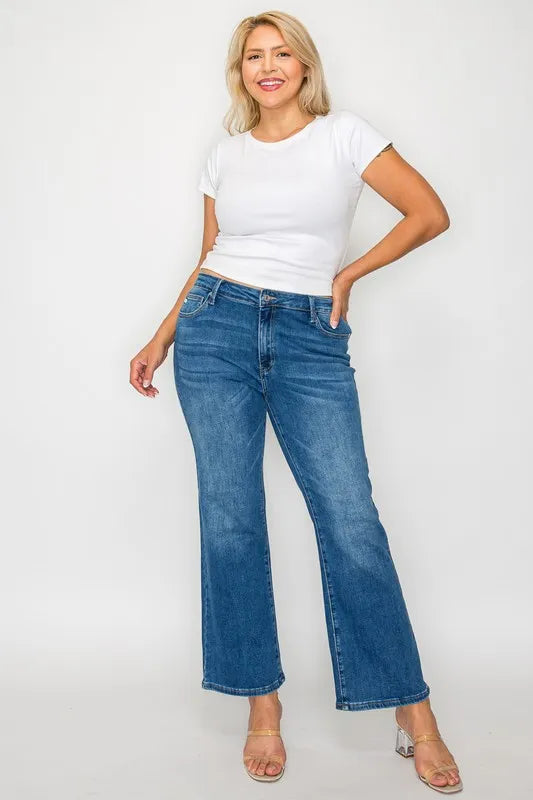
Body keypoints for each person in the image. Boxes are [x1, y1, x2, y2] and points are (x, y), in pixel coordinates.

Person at [129, 10, 463, 793]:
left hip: (312, 334)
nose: (267, 67)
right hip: (214, 327)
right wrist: (163, 334)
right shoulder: (225, 154)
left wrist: (346, 275)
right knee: (230, 519)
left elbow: (428, 214)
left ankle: (413, 714)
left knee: (349, 517)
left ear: (304, 66)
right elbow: (207, 254)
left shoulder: (344, 135)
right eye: (254, 57)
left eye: (282, 54)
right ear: (238, 71)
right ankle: (262, 708)